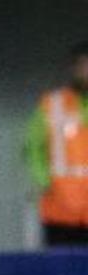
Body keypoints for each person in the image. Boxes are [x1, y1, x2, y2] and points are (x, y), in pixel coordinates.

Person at [25, 40, 88, 246]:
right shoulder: (52, 104)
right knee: (62, 271)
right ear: (73, 68)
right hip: (60, 210)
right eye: (82, 65)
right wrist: (43, 180)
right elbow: (32, 147)